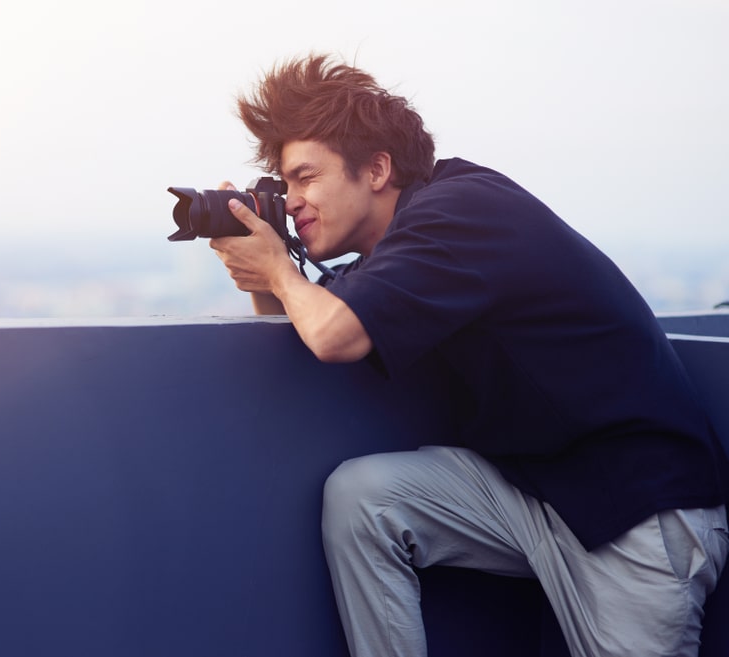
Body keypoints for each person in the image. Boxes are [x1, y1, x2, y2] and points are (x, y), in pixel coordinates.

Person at [209, 53, 729, 657]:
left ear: (376, 169)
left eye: (306, 178)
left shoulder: (462, 210)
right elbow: (307, 318)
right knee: (365, 498)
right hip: (538, 493)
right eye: (285, 185)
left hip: (637, 512)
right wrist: (258, 270)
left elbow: (335, 335)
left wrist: (276, 267)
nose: (293, 200)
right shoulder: (397, 254)